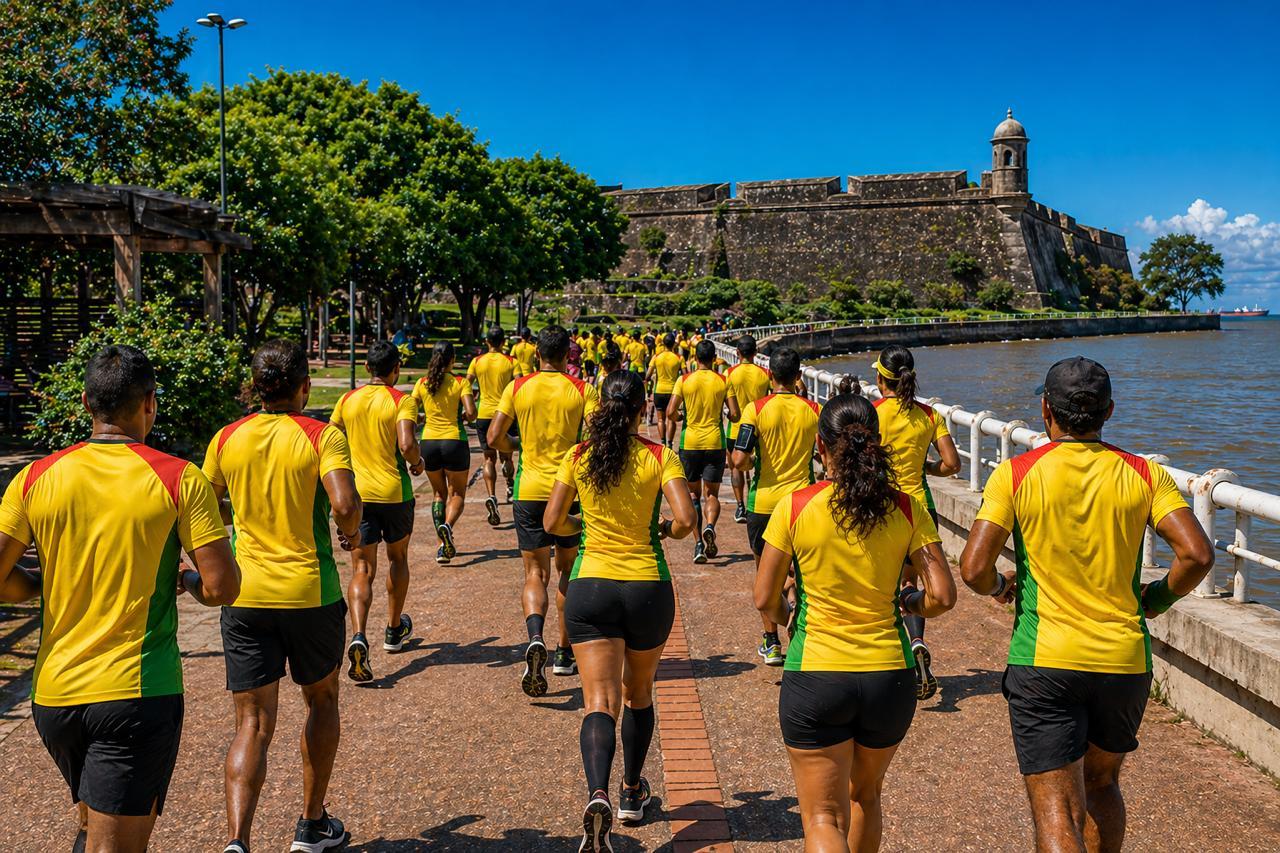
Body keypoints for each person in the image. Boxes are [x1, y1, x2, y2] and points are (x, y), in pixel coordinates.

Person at [960, 357, 1213, 853]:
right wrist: (1156, 600)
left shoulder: (1016, 474)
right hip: (1122, 662)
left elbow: (973, 569)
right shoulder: (1145, 474)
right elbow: (1198, 555)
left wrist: (999, 589)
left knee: (1056, 809)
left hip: (1044, 660)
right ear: (1109, 411)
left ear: (1044, 411)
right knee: (1102, 785)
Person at [0, 345, 239, 853]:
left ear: (86, 403)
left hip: (55, 697)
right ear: (150, 403)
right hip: (135, 693)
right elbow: (222, 587)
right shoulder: (179, 478)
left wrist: (47, 584)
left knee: (92, 827)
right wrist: (185, 579)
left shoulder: (35, 477)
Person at [754, 392, 955, 853]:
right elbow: (943, 596)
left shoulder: (796, 506)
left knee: (822, 818)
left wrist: (790, 621)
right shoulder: (907, 507)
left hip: (816, 673)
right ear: (876, 442)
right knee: (865, 795)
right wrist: (908, 601)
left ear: (821, 448)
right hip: (889, 676)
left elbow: (764, 596)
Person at [203, 340, 362, 853]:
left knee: (251, 723)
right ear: (304, 387)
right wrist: (351, 532)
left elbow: (205, 509)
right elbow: (344, 503)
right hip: (310, 594)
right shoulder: (322, 436)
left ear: (256, 386)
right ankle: (311, 825)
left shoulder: (226, 438)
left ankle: (236, 841)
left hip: (246, 596)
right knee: (321, 700)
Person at [544, 371, 696, 852]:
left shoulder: (579, 455)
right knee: (638, 694)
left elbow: (552, 521)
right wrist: (664, 532)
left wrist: (583, 525)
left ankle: (598, 794)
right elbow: (687, 521)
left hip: (591, 584)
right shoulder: (659, 455)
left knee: (598, 703)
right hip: (647, 585)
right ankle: (632, 792)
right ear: (640, 407)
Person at [489, 326, 599, 693]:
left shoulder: (518, 387)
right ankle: (564, 651)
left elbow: (493, 437)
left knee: (534, 573)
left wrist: (517, 445)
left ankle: (535, 635)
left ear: (537, 353)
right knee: (568, 570)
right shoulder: (583, 390)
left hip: (530, 488)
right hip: (568, 488)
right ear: (569, 354)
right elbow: (598, 438)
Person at [869, 344, 961, 700]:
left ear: (881, 378)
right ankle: (917, 641)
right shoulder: (929, 415)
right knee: (909, 585)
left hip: (879, 507)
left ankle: (891, 662)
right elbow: (953, 465)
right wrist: (925, 467)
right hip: (919, 509)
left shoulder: (872, 413)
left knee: (880, 588)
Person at [330, 341, 424, 682]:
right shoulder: (403, 400)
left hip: (358, 495)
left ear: (369, 368)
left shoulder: (347, 400)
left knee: (361, 567)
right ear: (395, 369)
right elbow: (407, 444)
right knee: (398, 559)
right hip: (394, 493)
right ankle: (394, 629)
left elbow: (333, 441)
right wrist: (417, 463)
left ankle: (358, 634)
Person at [731, 347, 820, 666]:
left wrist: (756, 459)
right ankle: (802, 624)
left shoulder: (754, 410)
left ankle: (771, 642)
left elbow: (739, 460)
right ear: (798, 377)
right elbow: (826, 457)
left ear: (770, 375)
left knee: (765, 572)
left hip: (764, 503)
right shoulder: (814, 410)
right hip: (803, 503)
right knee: (804, 569)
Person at [668, 339, 740, 564]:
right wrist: (726, 414)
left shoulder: (684, 380)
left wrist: (681, 417)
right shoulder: (723, 380)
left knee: (693, 495)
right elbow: (736, 414)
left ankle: (698, 543)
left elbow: (670, 412)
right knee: (712, 495)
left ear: (695, 358)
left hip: (689, 444)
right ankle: (710, 526)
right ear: (714, 359)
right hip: (715, 443)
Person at [412, 340, 477, 563]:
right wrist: (462, 416)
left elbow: (410, 411)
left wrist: (423, 417)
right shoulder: (460, 382)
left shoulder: (422, 382)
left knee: (438, 494)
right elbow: (471, 413)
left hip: (428, 442)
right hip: (454, 442)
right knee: (457, 494)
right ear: (453, 359)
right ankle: (447, 526)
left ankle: (442, 546)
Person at [467, 326, 519, 519]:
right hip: (505, 414)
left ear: (487, 342)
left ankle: (492, 496)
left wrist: (470, 404)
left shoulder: (477, 361)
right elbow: (519, 385)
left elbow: (466, 383)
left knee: (489, 459)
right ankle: (510, 484)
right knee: (507, 457)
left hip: (484, 413)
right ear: (503, 342)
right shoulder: (511, 362)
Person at [725, 335, 773, 524]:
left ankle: (740, 506)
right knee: (757, 465)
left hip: (736, 429)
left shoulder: (730, 373)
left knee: (736, 467)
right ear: (756, 352)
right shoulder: (765, 373)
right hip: (759, 428)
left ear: (737, 353)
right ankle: (756, 505)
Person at [646, 334, 684, 448]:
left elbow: (648, 375)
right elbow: (685, 374)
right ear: (674, 344)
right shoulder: (679, 358)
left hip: (659, 391)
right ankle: (670, 444)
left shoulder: (656, 357)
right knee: (671, 419)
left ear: (663, 343)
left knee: (661, 419)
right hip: (673, 392)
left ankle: (662, 442)